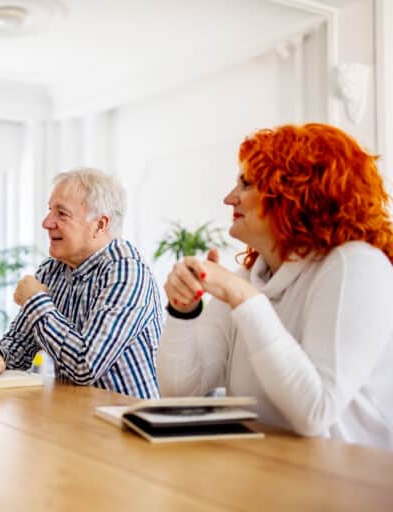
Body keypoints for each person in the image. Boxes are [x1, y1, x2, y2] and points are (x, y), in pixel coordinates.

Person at [158, 123, 393, 450]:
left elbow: (315, 412)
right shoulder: (250, 276)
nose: (229, 198)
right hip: (269, 473)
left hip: (349, 486)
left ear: (292, 194)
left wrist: (243, 298)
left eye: (246, 184)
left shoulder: (356, 266)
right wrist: (184, 311)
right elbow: (181, 392)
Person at [0, 168, 163, 398]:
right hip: (75, 418)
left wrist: (35, 301)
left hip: (126, 424)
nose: (47, 222)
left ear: (100, 225)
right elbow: (19, 346)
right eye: (50, 210)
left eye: (62, 213)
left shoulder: (127, 270)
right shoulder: (52, 270)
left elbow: (86, 365)